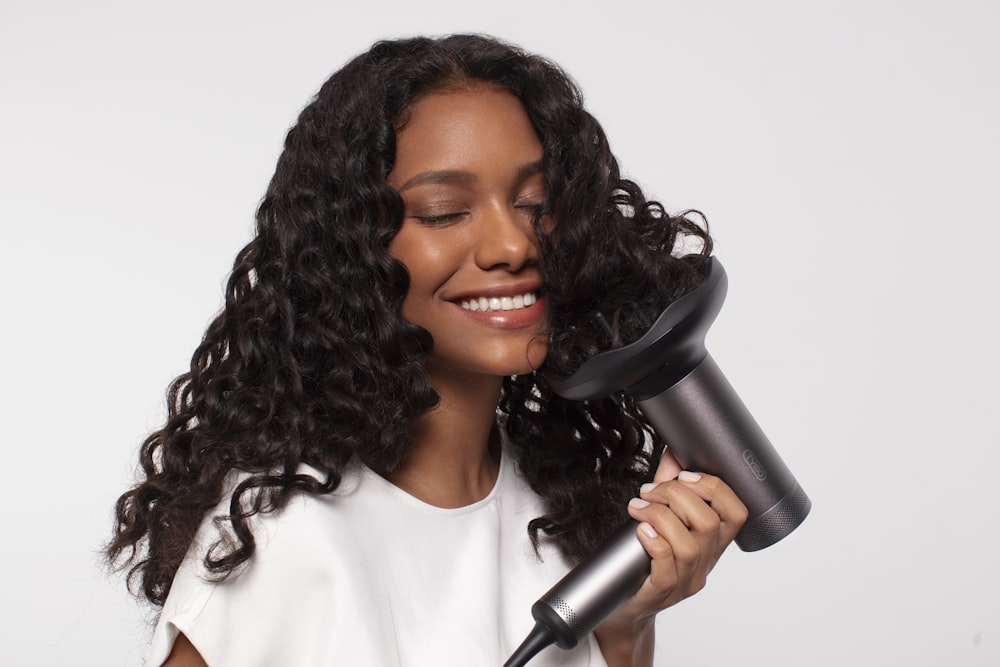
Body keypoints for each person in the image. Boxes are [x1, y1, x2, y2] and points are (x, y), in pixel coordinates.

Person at [107, 34, 748, 667]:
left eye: (536, 203)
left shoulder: (563, 513)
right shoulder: (286, 540)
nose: (512, 244)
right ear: (354, 251)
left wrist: (629, 626)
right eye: (444, 212)